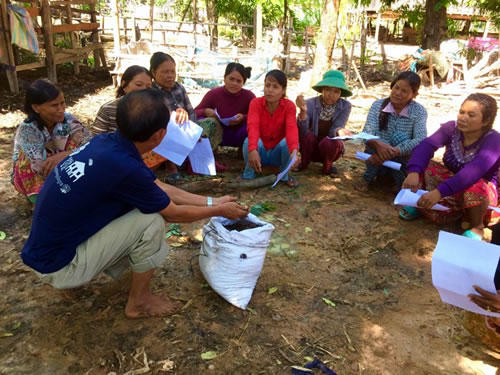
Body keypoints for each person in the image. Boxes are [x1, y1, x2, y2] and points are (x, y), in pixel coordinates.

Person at [21, 89, 249, 318]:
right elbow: (172, 213)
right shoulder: (126, 167)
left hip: (42, 252)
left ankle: (77, 277)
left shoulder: (106, 143)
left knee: (139, 203)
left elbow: (155, 186)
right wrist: (219, 210)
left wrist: (213, 200)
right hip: (58, 265)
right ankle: (139, 301)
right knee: (151, 220)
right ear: (160, 135)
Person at [400, 93, 499, 240]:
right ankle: (420, 205)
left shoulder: (494, 141)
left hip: (480, 194)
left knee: (476, 185)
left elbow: (473, 172)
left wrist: (439, 192)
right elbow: (426, 146)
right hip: (452, 185)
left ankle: (477, 226)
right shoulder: (451, 129)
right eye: (462, 112)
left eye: (471, 115)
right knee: (425, 165)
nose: (463, 117)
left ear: (486, 121)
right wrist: (414, 171)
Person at [11, 79, 91, 203]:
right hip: (39, 174)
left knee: (76, 145)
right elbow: (40, 168)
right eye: (54, 105)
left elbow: (90, 145)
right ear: (36, 108)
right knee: (26, 158)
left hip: (61, 168)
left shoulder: (68, 120)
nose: (61, 109)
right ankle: (41, 199)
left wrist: (65, 155)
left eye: (63, 103)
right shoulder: (27, 130)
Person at [356, 71, 427, 192]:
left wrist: (396, 150)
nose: (398, 93)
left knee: (400, 138)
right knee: (377, 140)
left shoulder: (419, 111)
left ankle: (400, 185)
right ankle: (368, 177)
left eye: (404, 91)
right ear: (392, 86)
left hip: (401, 161)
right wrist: (379, 145)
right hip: (376, 156)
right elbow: (367, 133)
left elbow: (420, 139)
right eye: (396, 87)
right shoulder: (378, 105)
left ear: (414, 94)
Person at [90, 65, 166, 169]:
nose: (144, 90)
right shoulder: (108, 109)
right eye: (139, 84)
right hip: (113, 155)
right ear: (124, 85)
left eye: (148, 87)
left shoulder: (152, 110)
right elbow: (96, 140)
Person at [242, 69, 300, 187]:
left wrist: (294, 151)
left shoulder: (289, 106)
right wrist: (253, 149)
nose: (270, 90)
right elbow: (253, 127)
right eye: (267, 85)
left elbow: (291, 129)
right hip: (259, 152)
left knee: (288, 144)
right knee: (249, 141)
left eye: (275, 87)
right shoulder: (255, 103)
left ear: (283, 90)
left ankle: (284, 175)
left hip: (278, 153)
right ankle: (248, 174)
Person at [194, 62, 256, 169]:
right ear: (224, 78)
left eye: (238, 81)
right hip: (219, 132)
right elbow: (194, 112)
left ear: (243, 83)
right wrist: (206, 111)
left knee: (252, 125)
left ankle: (244, 150)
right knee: (205, 121)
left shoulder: (249, 96)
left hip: (239, 133)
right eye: (231, 79)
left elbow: (257, 116)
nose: (234, 83)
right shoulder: (213, 93)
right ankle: (209, 151)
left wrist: (243, 117)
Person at [150, 52, 198, 181]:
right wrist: (174, 115)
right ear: (153, 72)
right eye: (165, 72)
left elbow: (191, 111)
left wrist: (195, 132)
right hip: (164, 133)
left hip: (185, 130)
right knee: (169, 124)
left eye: (173, 71)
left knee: (210, 124)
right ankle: (171, 166)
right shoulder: (151, 92)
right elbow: (153, 120)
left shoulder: (179, 88)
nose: (170, 76)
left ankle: (196, 160)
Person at [296, 70, 352, 177]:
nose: (331, 95)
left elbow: (335, 128)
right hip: (309, 148)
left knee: (329, 142)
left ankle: (328, 166)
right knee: (308, 137)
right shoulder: (310, 103)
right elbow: (303, 132)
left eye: (336, 91)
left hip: (329, 149)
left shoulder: (345, 106)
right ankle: (304, 162)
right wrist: (303, 112)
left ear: (341, 93)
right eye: (328, 90)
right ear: (322, 89)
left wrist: (340, 131)